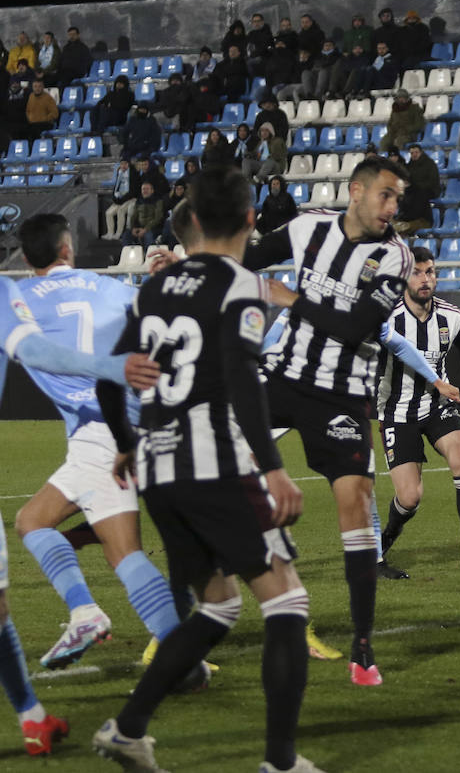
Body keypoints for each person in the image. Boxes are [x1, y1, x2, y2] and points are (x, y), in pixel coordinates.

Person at [92, 166, 322, 773]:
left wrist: (125, 441)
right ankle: (280, 762)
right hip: (214, 463)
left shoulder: (153, 289)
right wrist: (272, 469)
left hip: (158, 469)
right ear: (251, 221)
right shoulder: (241, 283)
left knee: (218, 606)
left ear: (190, 219)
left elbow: (110, 376)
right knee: (287, 604)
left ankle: (129, 728)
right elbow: (243, 377)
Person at [244, 156, 413, 687]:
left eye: (397, 199)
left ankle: (363, 644)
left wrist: (291, 297)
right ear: (356, 191)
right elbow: (247, 256)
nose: (392, 207)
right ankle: (196, 612)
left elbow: (355, 327)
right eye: (385, 195)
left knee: (354, 501)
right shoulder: (308, 226)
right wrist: (189, 261)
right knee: (218, 469)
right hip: (281, 377)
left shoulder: (395, 258)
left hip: (342, 396)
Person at [0, 273, 159, 757]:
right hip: (118, 431)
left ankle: (33, 717)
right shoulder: (5, 291)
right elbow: (34, 351)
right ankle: (178, 647)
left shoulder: (15, 291)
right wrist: (107, 366)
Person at [13, 215, 181, 673]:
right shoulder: (112, 289)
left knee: (59, 531)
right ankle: (174, 652)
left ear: (27, 259)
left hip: (100, 434)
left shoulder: (19, 299)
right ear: (68, 248)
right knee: (74, 534)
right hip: (129, 426)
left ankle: (105, 621)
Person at [376, 247, 460, 575]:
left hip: (438, 406)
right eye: (417, 272)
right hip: (397, 412)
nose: (425, 279)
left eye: (430, 271)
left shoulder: (451, 316)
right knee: (410, 498)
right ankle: (382, 544)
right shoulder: (388, 317)